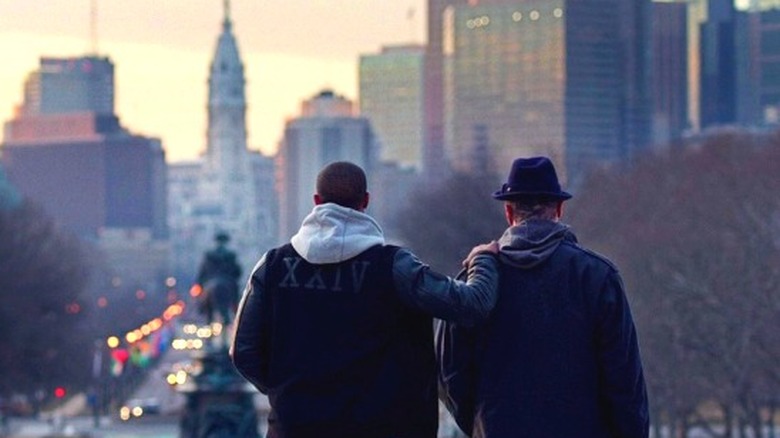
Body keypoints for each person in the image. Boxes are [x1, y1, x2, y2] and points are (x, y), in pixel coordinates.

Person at [230, 161, 499, 438]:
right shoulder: (395, 267)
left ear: (317, 201)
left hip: (294, 428)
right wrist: (484, 258)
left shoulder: (273, 266)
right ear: (366, 201)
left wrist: (288, 390)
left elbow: (243, 352)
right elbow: (472, 304)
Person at [436, 156, 649, 437]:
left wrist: (480, 422)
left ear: (509, 214)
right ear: (559, 209)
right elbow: (624, 382)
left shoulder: (475, 282)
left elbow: (449, 372)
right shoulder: (597, 277)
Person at [196, 231, 242, 327]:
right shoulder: (231, 255)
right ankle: (237, 308)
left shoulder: (209, 254)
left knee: (204, 297)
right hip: (227, 280)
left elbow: (203, 271)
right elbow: (237, 271)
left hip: (211, 280)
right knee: (235, 293)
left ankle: (202, 309)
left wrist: (200, 283)